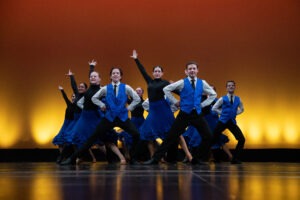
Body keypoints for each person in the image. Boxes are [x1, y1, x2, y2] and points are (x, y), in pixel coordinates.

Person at [60, 67, 141, 165]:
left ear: (120, 76)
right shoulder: (106, 88)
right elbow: (94, 98)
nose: (115, 74)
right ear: (111, 76)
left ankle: (133, 158)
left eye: (117, 73)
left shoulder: (126, 87)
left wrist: (129, 108)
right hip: (109, 118)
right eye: (113, 73)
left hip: (122, 118)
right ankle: (72, 158)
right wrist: (101, 105)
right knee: (92, 138)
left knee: (136, 134)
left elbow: (136, 98)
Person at [143, 61, 217, 165]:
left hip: (197, 114)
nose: (192, 70)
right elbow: (166, 89)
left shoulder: (202, 83)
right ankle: (155, 159)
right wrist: (174, 101)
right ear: (186, 71)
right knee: (171, 136)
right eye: (190, 69)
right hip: (184, 114)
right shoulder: (182, 82)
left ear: (197, 70)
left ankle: (196, 159)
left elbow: (213, 94)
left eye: (194, 68)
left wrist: (203, 105)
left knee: (208, 136)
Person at [130, 50, 178, 161]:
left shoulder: (165, 83)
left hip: (163, 108)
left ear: (162, 73)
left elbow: (177, 91)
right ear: (153, 73)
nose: (157, 73)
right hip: (153, 109)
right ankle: (150, 157)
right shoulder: (149, 82)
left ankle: (170, 157)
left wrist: (180, 99)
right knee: (145, 132)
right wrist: (136, 59)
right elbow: (142, 71)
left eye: (159, 71)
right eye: (155, 71)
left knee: (169, 133)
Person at [211, 80, 245, 164]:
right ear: (226, 88)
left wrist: (235, 113)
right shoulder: (223, 98)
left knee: (241, 139)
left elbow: (242, 109)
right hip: (222, 121)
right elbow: (214, 108)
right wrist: (222, 113)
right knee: (212, 138)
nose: (231, 87)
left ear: (234, 87)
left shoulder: (238, 99)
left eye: (232, 85)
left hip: (232, 122)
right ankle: (202, 157)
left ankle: (235, 158)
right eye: (229, 85)